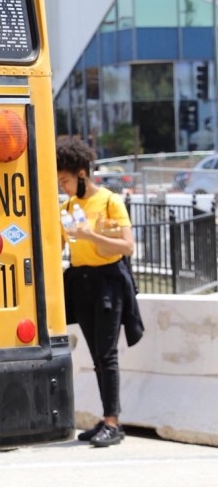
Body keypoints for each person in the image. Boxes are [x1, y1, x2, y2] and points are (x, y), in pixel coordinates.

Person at [57, 135, 142, 448]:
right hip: (81, 282)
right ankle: (107, 417)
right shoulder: (67, 206)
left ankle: (112, 422)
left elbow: (127, 247)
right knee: (96, 355)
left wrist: (91, 235)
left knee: (107, 355)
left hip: (108, 282)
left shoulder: (109, 201)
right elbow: (59, 246)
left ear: (81, 174)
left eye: (65, 180)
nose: (62, 187)